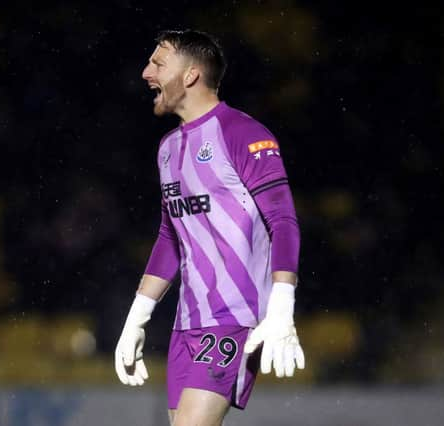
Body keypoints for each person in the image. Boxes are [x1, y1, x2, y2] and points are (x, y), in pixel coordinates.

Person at [115, 29, 305, 426]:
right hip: (187, 323)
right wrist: (137, 318)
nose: (146, 72)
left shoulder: (243, 134)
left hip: (233, 318)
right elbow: (171, 236)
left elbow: (283, 220)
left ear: (190, 76)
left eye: (158, 63)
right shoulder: (168, 148)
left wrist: (282, 308)